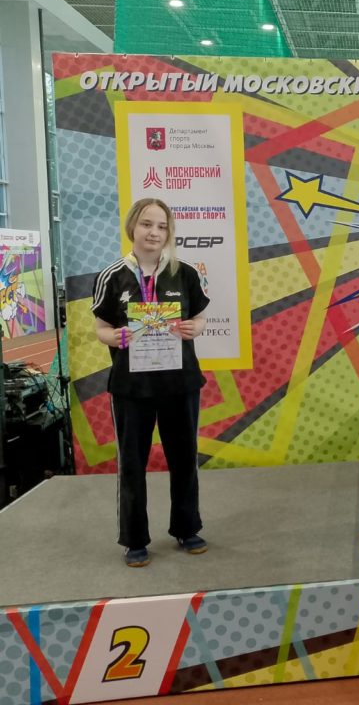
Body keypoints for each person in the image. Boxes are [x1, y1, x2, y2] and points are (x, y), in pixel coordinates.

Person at [92, 198, 209, 567]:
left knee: (184, 459)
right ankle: (134, 540)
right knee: (132, 464)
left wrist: (195, 328)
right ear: (133, 227)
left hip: (180, 384)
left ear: (169, 232)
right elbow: (101, 328)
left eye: (161, 226)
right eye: (146, 224)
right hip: (132, 389)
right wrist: (113, 337)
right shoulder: (112, 276)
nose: (154, 232)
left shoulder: (184, 273)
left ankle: (187, 528)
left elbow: (200, 317)